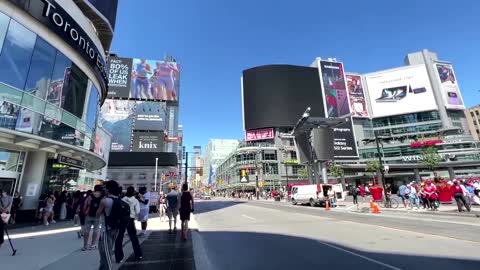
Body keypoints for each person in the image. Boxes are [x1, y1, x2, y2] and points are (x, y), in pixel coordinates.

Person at [97, 180, 122, 269]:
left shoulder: (105, 201)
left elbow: (97, 214)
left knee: (106, 252)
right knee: (106, 250)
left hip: (106, 229)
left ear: (108, 189)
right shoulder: (119, 200)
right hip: (116, 228)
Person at [119, 186, 142, 261]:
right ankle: (138, 255)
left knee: (120, 237)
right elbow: (138, 211)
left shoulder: (122, 199)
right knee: (134, 238)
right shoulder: (135, 200)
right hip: (131, 219)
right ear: (133, 192)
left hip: (122, 219)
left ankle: (119, 257)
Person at [82, 185, 103, 251]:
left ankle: (85, 245)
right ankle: (93, 244)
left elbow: (85, 204)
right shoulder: (102, 196)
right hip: (98, 215)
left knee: (86, 230)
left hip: (89, 214)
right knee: (96, 230)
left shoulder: (90, 196)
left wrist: (84, 212)